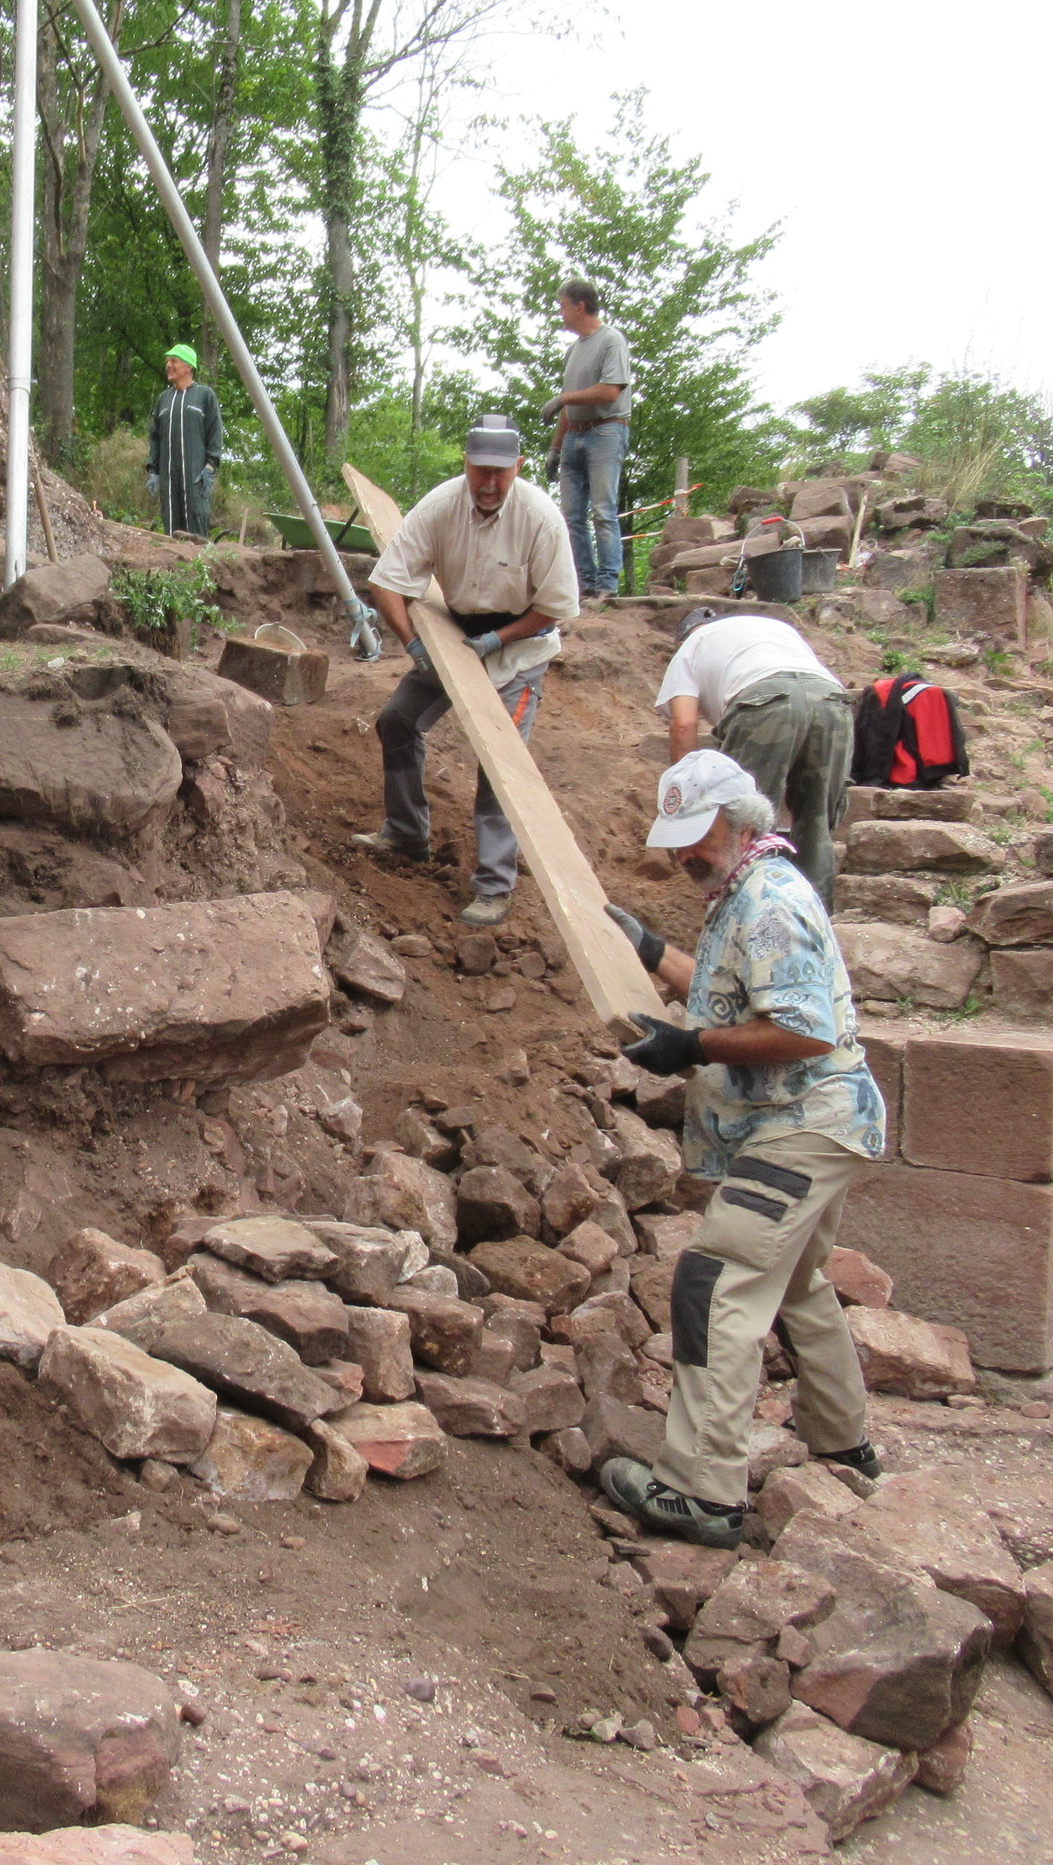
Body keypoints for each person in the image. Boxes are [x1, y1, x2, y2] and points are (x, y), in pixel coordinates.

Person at [598, 750, 887, 1549]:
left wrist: (691, 1048)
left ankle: (702, 1490)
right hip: (821, 1121)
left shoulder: (768, 902)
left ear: (738, 819)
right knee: (794, 1279)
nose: (684, 854)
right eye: (677, 840)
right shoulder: (747, 889)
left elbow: (802, 1029)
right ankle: (843, 1441)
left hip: (802, 1124)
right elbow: (741, 992)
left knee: (713, 1281)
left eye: (697, 835)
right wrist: (652, 951)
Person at [350, 415, 578, 928]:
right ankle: (407, 833)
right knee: (397, 721)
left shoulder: (541, 519)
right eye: (481, 471)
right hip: (454, 639)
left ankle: (494, 886)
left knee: (501, 764)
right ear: (466, 465)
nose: (490, 483)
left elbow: (556, 607)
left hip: (519, 650)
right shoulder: (441, 506)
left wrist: (499, 639)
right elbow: (386, 581)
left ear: (518, 467)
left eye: (501, 472)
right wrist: (414, 645)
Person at [654, 607, 853, 909]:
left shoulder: (689, 649)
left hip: (764, 703)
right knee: (817, 823)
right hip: (831, 701)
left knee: (742, 822)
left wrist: (689, 795)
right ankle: (813, 918)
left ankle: (746, 914)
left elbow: (683, 724)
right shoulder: (773, 628)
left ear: (683, 638)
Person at [540, 281, 633, 604]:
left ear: (580, 306)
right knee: (571, 516)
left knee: (603, 510)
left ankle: (607, 584)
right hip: (574, 435)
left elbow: (610, 391)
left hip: (606, 432)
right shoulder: (573, 350)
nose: (560, 312)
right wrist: (555, 448)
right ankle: (584, 584)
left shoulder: (611, 340)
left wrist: (563, 398)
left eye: (562, 305)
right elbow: (570, 405)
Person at [145, 344, 224, 538]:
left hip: (196, 476)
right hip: (168, 477)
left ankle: (199, 558)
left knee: (196, 526)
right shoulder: (163, 399)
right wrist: (153, 471)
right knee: (171, 527)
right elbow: (155, 438)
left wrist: (210, 468)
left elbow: (215, 433)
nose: (168, 366)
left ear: (188, 366)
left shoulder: (204, 395)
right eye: (167, 362)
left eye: (173, 361)